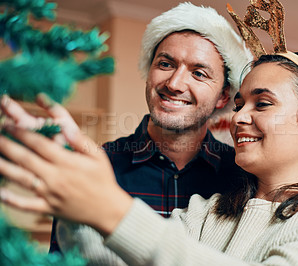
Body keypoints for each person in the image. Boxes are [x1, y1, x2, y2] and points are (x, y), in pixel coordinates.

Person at [0, 50, 298, 264]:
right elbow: (120, 258)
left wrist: (112, 209)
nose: (238, 117)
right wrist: (73, 189)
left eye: (262, 103)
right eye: (239, 103)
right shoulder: (209, 211)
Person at [1, 2, 254, 253]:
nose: (175, 83)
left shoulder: (244, 175)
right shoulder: (94, 166)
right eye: (165, 64)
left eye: (199, 73)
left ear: (223, 96)